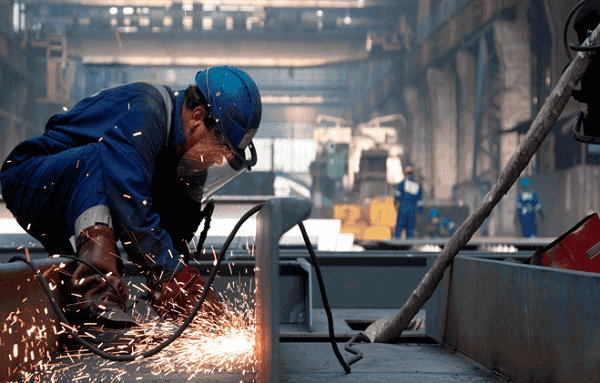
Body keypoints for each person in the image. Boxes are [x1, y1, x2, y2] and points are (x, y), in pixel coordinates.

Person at [0, 66, 262, 328]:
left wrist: (188, 299)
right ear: (197, 117)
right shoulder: (144, 112)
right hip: (31, 178)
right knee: (99, 163)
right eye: (221, 147)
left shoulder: (187, 162)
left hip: (81, 197)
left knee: (111, 175)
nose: (219, 159)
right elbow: (130, 206)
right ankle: (98, 302)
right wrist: (168, 273)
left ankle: (82, 305)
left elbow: (171, 244)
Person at [393, 166, 423, 238]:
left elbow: (397, 194)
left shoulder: (403, 183)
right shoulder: (417, 186)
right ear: (412, 174)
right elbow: (420, 201)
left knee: (399, 227)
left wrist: (395, 202)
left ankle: (396, 245)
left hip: (403, 208)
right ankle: (409, 246)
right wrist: (420, 212)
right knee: (410, 228)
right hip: (412, 210)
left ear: (405, 174)